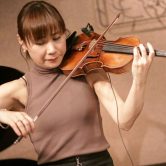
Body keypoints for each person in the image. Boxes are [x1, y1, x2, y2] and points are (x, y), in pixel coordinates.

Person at [0, 1, 155, 166]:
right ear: (23, 42)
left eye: (57, 37)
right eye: (40, 42)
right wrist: (3, 114)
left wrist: (139, 79)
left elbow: (125, 120)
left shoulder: (87, 69)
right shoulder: (20, 88)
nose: (52, 49)